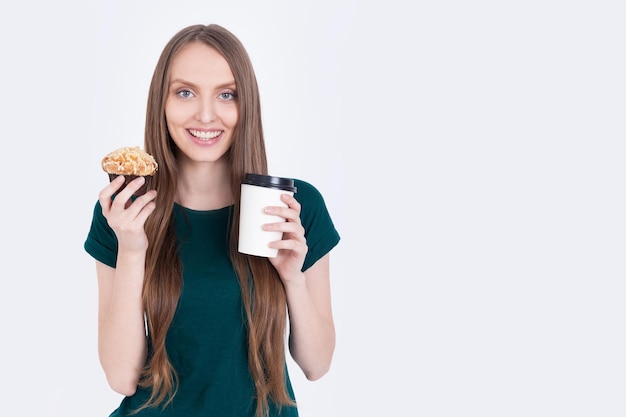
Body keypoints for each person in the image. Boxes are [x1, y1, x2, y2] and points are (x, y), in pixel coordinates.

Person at [84, 23, 340, 417]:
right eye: (185, 92)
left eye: (226, 94)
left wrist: (293, 278)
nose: (206, 114)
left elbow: (317, 364)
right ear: (162, 103)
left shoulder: (294, 204)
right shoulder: (126, 209)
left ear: (246, 104)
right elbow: (121, 376)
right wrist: (133, 250)